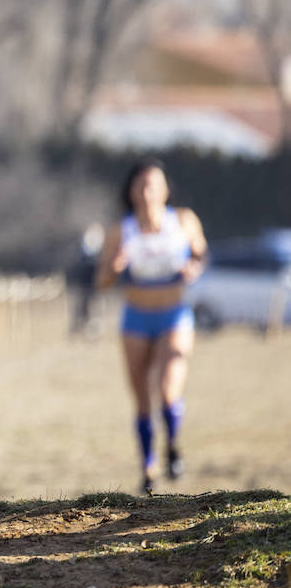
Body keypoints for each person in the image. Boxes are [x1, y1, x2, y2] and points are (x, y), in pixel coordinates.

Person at [93, 157, 207, 496]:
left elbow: (201, 256)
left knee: (168, 389)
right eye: (140, 185)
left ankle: (172, 443)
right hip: (136, 319)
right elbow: (101, 281)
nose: (147, 192)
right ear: (130, 192)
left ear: (165, 189)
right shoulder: (121, 230)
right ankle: (148, 468)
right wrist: (114, 267)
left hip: (174, 315)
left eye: (153, 185)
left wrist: (193, 269)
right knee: (142, 400)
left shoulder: (183, 221)